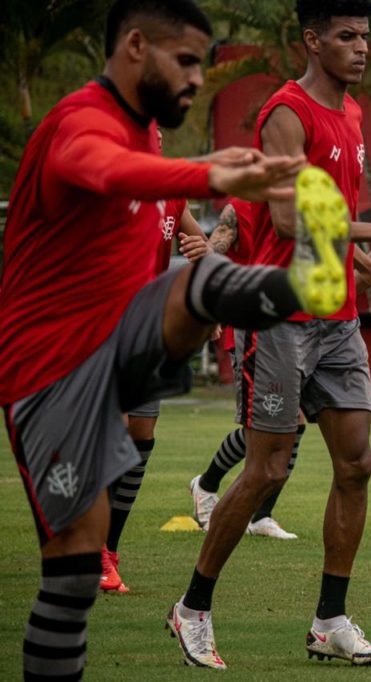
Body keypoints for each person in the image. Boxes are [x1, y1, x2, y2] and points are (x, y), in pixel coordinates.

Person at [0, 0, 346, 677]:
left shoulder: (149, 134)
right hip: (50, 367)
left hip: (120, 335)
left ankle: (302, 286)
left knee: (199, 279)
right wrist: (214, 172)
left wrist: (200, 201)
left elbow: (150, 205)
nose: (196, 78)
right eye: (185, 61)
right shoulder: (80, 120)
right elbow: (101, 169)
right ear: (135, 47)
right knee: (72, 573)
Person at [167, 0, 371, 669]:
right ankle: (192, 607)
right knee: (266, 470)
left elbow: (331, 231)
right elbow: (292, 225)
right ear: (312, 41)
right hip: (282, 317)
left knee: (357, 464)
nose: (361, 48)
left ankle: (330, 620)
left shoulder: (348, 116)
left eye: (366, 37)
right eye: (346, 37)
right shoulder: (286, 114)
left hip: (338, 316)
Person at [103, 194, 212, 594]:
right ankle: (88, 549)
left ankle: (108, 550)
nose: (159, 136)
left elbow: (205, 249)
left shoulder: (173, 196)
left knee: (141, 437)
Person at [187, 200, 304, 540]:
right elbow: (212, 252)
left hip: (293, 326)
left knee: (292, 424)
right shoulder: (239, 208)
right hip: (250, 327)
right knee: (263, 428)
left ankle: (262, 515)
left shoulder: (301, 205)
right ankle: (206, 484)